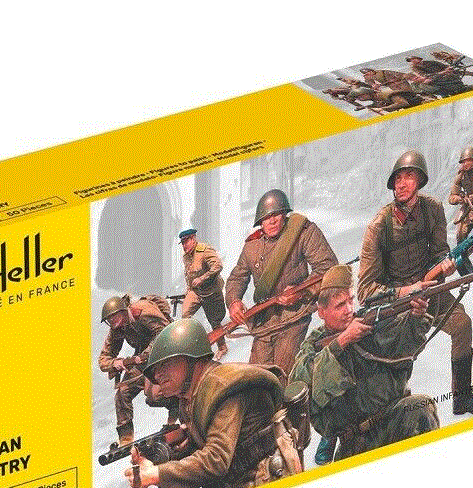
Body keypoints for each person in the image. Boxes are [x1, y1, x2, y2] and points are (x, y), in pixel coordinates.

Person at [359, 150, 473, 416]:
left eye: (409, 176)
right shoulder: (379, 226)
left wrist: (445, 266)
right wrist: (406, 291)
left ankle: (462, 398)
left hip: (430, 291)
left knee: (462, 324)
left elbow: (440, 253)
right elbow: (365, 291)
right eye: (397, 178)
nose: (401, 184)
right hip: (397, 302)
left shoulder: (433, 209)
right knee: (395, 362)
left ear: (420, 180)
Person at [125, 318, 302, 488]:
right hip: (232, 479)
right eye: (155, 370)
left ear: (192, 359)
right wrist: (160, 459)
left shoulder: (225, 389)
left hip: (263, 477)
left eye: (165, 364)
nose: (157, 374)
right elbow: (204, 446)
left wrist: (157, 474)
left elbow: (216, 459)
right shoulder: (190, 397)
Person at [288, 265, 439, 461]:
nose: (349, 310)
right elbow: (299, 381)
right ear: (321, 312)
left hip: (395, 419)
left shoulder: (368, 321)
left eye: (351, 300)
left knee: (421, 406)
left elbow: (402, 343)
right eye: (340, 305)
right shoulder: (313, 345)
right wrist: (341, 342)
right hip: (356, 442)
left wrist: (415, 316)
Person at [225, 189, 337, 376]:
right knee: (255, 377)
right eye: (266, 217)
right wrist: (233, 302)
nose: (272, 221)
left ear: (285, 214)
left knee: (281, 375)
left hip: (294, 316)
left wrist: (302, 292)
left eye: (276, 214)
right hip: (264, 322)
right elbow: (237, 277)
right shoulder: (252, 245)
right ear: (260, 221)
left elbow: (328, 267)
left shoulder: (302, 233)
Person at [99, 294, 173, 445]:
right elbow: (103, 359)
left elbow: (164, 332)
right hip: (142, 359)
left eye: (114, 316)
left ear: (123, 311)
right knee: (123, 392)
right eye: (109, 320)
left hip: (166, 351)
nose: (112, 321)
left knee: (154, 396)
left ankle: (176, 408)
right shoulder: (117, 328)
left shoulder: (143, 310)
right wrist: (115, 363)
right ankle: (126, 437)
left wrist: (144, 355)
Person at [178, 228, 228, 359]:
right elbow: (189, 275)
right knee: (185, 315)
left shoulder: (205, 250)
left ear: (193, 239)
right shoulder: (186, 257)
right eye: (182, 243)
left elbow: (218, 266)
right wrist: (188, 290)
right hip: (196, 292)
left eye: (186, 241)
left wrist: (202, 278)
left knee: (215, 322)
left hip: (211, 291)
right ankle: (192, 347)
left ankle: (222, 347)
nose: (184, 245)